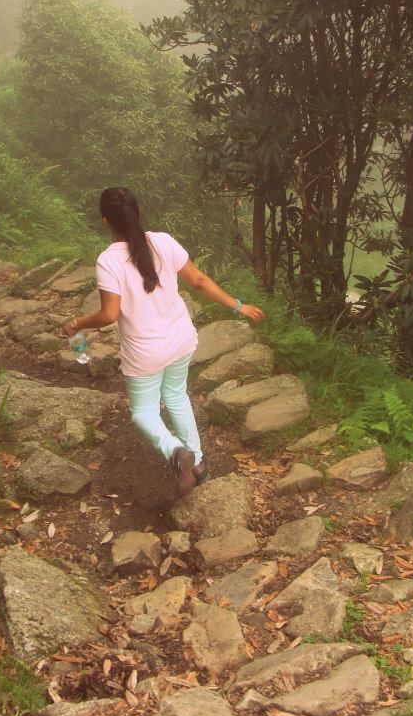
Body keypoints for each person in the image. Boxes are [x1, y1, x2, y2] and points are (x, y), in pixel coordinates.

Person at [62, 187, 265, 496]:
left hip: (146, 352)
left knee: (144, 412)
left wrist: (76, 323)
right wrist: (239, 306)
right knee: (176, 395)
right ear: (137, 212)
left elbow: (109, 314)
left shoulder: (108, 261)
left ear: (105, 220)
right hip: (181, 340)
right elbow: (198, 280)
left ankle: (175, 452)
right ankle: (198, 464)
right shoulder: (164, 242)